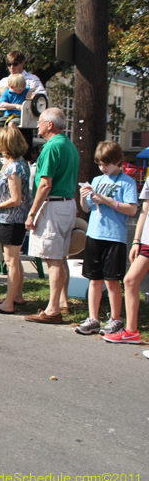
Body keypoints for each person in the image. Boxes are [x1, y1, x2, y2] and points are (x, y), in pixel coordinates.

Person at [75, 141, 138, 335]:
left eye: (106, 164)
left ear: (118, 161)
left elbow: (132, 209)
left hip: (114, 236)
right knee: (94, 279)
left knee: (112, 280)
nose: (103, 168)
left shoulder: (127, 182)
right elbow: (87, 208)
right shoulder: (96, 180)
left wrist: (106, 200)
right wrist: (82, 196)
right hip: (94, 234)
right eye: (100, 164)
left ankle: (116, 318)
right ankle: (93, 318)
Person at [24, 107, 79, 324]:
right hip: (67, 204)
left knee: (53, 259)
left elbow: (45, 184)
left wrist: (32, 213)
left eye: (40, 122)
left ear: (49, 125)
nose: (37, 125)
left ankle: (53, 309)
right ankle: (62, 302)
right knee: (61, 256)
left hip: (53, 205)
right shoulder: (69, 145)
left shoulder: (51, 147)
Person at [0, 127, 33, 314]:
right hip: (12, 218)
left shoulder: (13, 166)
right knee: (15, 260)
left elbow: (15, 198)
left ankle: (9, 303)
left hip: (12, 218)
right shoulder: (15, 163)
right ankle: (16, 295)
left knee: (10, 261)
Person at [110, 177, 149, 344]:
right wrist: (137, 240)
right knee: (130, 280)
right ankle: (131, 331)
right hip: (147, 241)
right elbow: (144, 210)